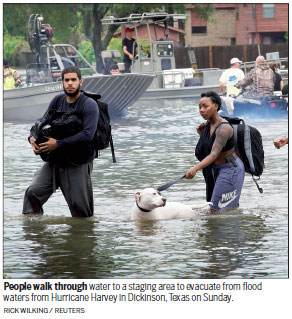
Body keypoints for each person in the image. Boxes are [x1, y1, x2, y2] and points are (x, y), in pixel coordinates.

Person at [22, 66, 99, 218]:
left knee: (81, 211)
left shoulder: (89, 105)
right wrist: (32, 138)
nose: (70, 83)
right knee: (33, 193)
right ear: (62, 83)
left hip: (77, 162)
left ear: (80, 82)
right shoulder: (57, 100)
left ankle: (83, 238)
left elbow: (87, 135)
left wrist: (58, 143)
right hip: (55, 160)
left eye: (73, 80)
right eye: (67, 80)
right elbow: (42, 123)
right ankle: (35, 234)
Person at [185, 91, 245, 213]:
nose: (201, 110)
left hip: (230, 169)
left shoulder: (223, 128)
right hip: (215, 170)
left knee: (215, 210)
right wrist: (202, 134)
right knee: (219, 207)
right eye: (200, 107)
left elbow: (213, 154)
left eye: (205, 106)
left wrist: (195, 168)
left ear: (216, 106)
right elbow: (210, 146)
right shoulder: (208, 124)